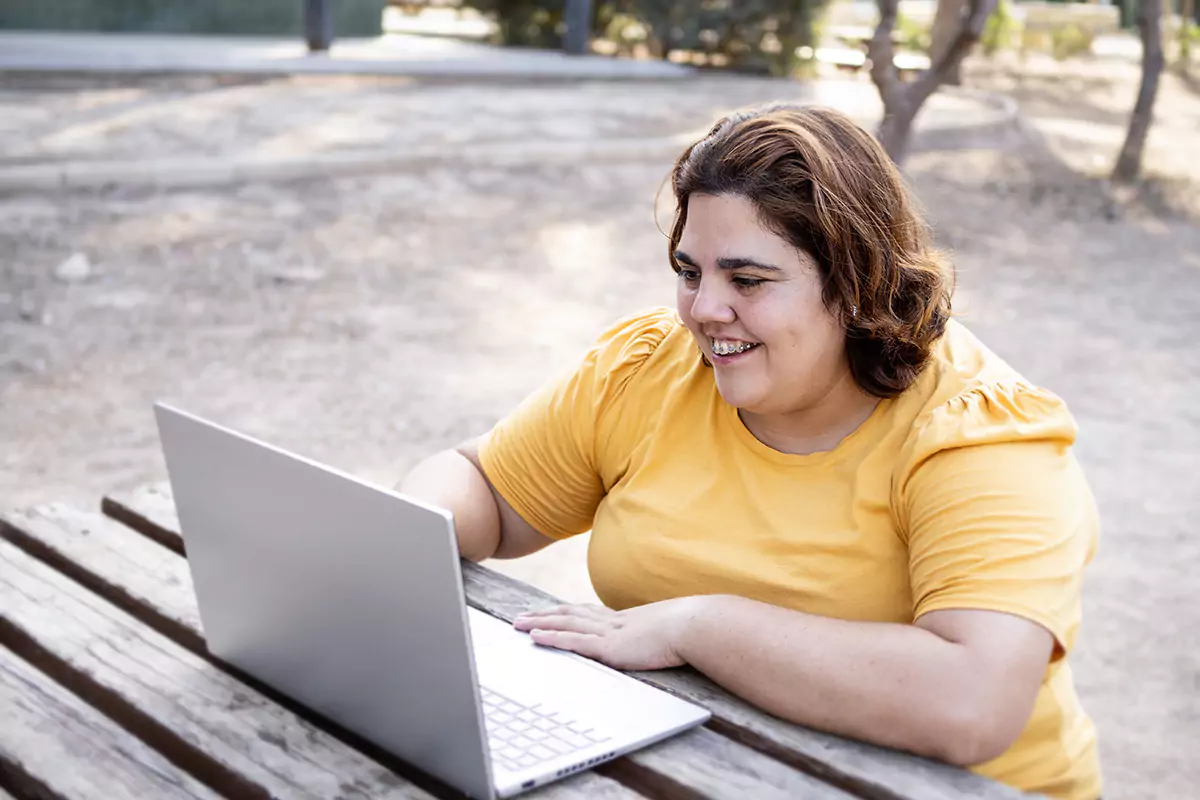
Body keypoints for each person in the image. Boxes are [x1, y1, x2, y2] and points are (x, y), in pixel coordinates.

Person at [399, 104, 1101, 800]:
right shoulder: (648, 369)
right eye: (690, 271)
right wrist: (395, 534)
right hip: (703, 766)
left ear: (858, 285)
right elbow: (482, 486)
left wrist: (698, 626)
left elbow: (972, 705)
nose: (704, 310)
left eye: (748, 280)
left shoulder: (979, 430)